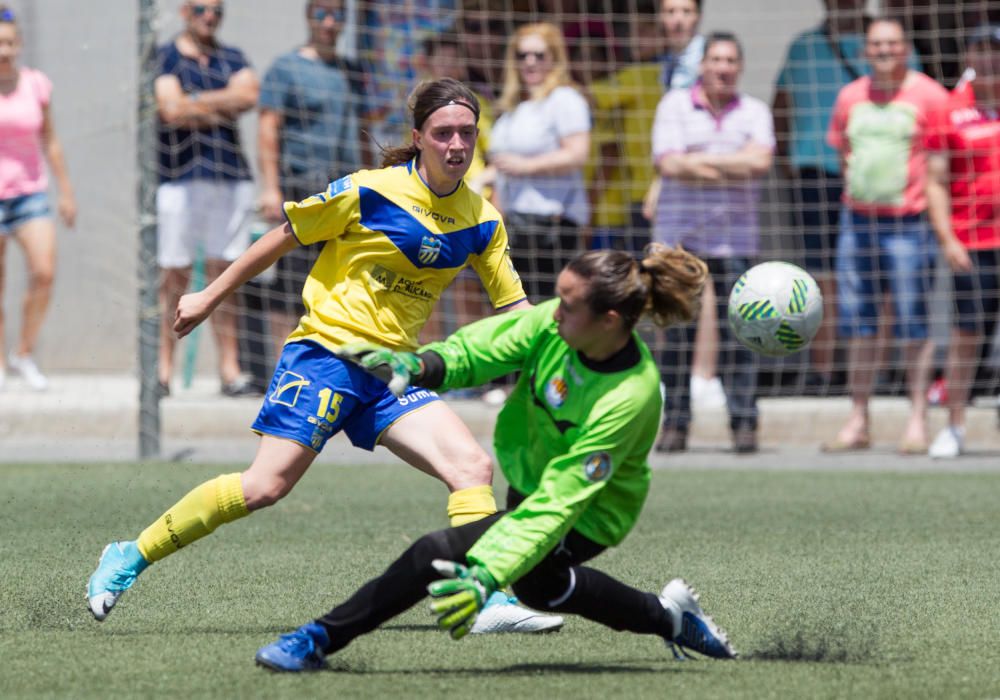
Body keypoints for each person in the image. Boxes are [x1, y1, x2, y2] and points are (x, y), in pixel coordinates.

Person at [88, 77, 561, 634]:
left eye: (466, 133)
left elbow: (516, 310)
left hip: (392, 372)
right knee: (264, 487)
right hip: (326, 355)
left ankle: (483, 597)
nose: (456, 145)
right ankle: (128, 554)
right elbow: (283, 235)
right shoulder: (369, 190)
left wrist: (561, 356)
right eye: (443, 133)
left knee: (471, 467)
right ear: (418, 136)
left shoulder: (482, 219)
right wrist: (211, 295)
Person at [253, 244, 738, 672]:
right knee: (542, 590)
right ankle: (672, 617)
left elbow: (559, 502)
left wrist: (485, 573)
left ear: (609, 322)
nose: (554, 313)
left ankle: (317, 639)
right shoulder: (556, 325)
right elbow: (483, 349)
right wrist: (420, 365)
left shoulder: (631, 397)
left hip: (588, 512)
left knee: (437, 552)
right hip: (532, 476)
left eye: (568, 307)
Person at [825, 17, 949, 454]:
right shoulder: (849, 97)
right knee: (857, 323)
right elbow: (843, 153)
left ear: (906, 48)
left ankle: (917, 420)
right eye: (876, 44)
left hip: (909, 225)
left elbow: (939, 168)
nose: (883, 51)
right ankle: (858, 419)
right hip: (856, 222)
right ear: (865, 50)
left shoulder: (931, 96)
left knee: (914, 323)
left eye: (892, 44)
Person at [651, 32, 775, 454]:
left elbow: (760, 162)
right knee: (677, 333)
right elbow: (669, 164)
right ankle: (676, 424)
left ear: (739, 67)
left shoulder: (755, 111)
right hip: (678, 238)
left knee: (743, 331)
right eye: (715, 59)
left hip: (736, 238)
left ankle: (744, 423)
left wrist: (698, 160)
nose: (722, 67)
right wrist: (731, 164)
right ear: (702, 65)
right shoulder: (673, 105)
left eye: (730, 61)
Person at [154, 0, 259, 397]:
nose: (209, 16)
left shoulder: (232, 56)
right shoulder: (165, 56)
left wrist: (194, 101)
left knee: (225, 275)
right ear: (185, 12)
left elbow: (249, 94)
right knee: (173, 277)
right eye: (201, 9)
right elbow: (170, 109)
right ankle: (162, 372)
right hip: (178, 177)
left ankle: (229, 372)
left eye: (216, 10)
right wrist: (222, 101)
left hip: (230, 176)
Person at [256, 0, 366, 361]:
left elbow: (362, 135)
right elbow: (268, 128)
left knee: (340, 279)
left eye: (337, 14)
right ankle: (280, 363)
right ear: (308, 16)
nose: (330, 22)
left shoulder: (352, 71)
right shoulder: (286, 69)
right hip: (302, 188)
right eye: (322, 13)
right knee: (291, 279)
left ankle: (329, 360)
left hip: (347, 191)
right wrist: (271, 187)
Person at [925, 25, 1000, 458]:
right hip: (973, 242)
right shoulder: (949, 109)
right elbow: (934, 181)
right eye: (980, 50)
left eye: (995, 51)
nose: (988, 59)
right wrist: (947, 237)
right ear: (969, 56)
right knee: (965, 336)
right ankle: (954, 426)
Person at [0, 5, 76, 392]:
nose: (5, 51)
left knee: (44, 272)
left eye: (10, 43)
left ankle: (23, 352)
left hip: (30, 193)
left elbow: (50, 138)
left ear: (20, 44)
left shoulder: (36, 84)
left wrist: (65, 191)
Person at [487, 22, 591, 303]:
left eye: (539, 55)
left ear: (555, 58)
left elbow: (578, 153)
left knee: (551, 310)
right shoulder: (513, 109)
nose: (530, 62)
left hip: (552, 228)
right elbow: (502, 167)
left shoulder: (565, 99)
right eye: (522, 55)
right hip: (515, 227)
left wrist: (523, 166)